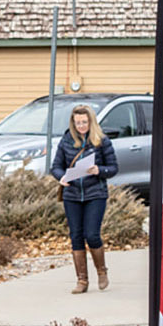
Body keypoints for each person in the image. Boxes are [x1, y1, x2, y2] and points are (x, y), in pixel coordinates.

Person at [50, 103, 119, 293]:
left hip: (95, 193)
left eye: (84, 122)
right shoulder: (66, 141)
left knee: (92, 234)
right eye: (77, 122)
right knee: (76, 236)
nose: (81, 126)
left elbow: (113, 168)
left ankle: (101, 271)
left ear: (91, 122)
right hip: (72, 194)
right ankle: (82, 280)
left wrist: (99, 170)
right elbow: (55, 166)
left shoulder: (102, 141)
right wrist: (61, 177)